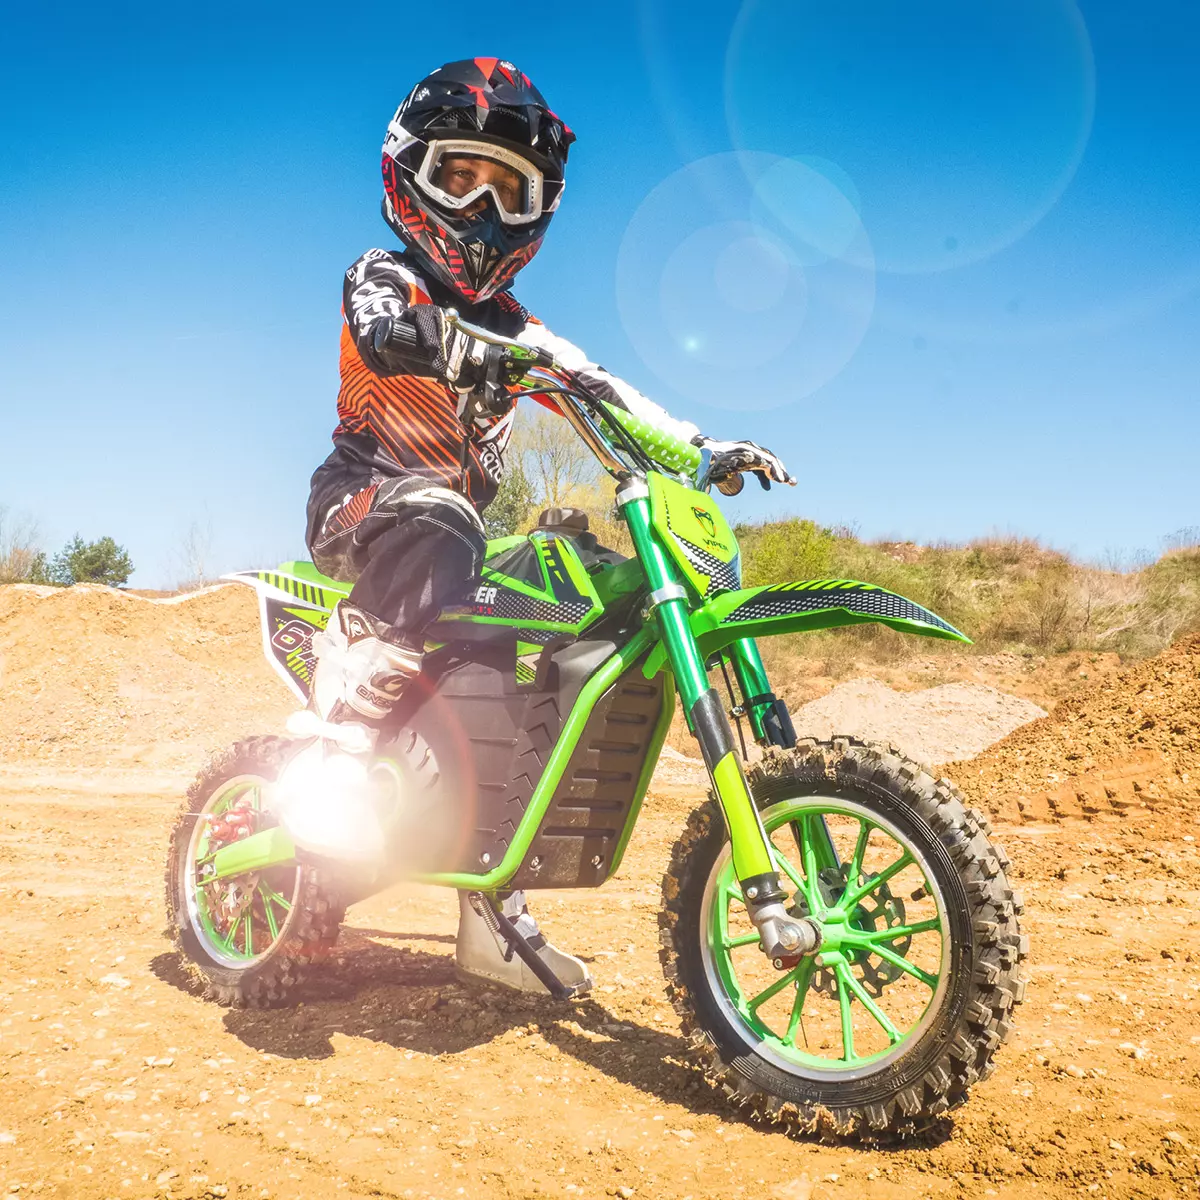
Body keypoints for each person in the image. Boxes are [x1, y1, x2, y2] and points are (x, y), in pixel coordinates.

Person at [297, 58, 792, 994]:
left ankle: (493, 905)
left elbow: (610, 394)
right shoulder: (384, 274)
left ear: (538, 208)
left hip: (455, 543)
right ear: (411, 174)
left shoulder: (524, 331)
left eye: (507, 189)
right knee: (441, 512)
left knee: (547, 631)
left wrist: (703, 449)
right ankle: (336, 740)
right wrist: (451, 341)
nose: (481, 210)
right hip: (366, 499)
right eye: (458, 178)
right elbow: (375, 328)